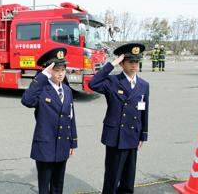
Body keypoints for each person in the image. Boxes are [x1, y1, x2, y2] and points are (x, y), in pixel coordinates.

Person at [88, 43, 150, 194]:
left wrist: (143, 134)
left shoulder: (144, 84)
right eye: (130, 62)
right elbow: (93, 83)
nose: (134, 65)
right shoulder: (112, 81)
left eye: (136, 62)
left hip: (133, 135)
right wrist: (111, 65)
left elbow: (144, 110)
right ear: (122, 63)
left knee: (129, 177)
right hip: (116, 136)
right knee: (112, 176)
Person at [21, 47, 78, 194]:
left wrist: (73, 141)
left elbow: (71, 117)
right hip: (45, 145)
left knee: (58, 185)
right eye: (56, 69)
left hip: (63, 143)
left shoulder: (67, 90)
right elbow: (26, 101)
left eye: (62, 69)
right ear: (49, 70)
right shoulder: (41, 89)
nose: (60, 73)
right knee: (44, 187)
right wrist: (41, 76)